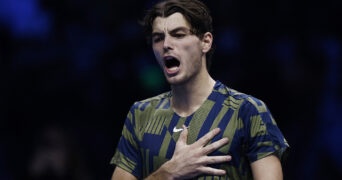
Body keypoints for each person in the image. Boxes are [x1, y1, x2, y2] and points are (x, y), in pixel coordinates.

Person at [110, 0, 289, 179]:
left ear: (205, 42)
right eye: (158, 38)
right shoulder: (141, 114)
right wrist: (167, 173)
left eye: (178, 35)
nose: (166, 45)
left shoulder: (247, 111)